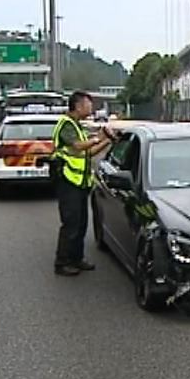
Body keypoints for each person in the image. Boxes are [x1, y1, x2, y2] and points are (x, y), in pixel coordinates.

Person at [51, 91, 115, 276]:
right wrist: (97, 138)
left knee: (81, 224)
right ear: (78, 106)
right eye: (88, 104)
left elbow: (89, 152)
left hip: (80, 183)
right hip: (68, 181)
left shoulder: (77, 126)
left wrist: (107, 140)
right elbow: (78, 146)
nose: (91, 108)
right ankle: (62, 262)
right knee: (70, 224)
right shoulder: (66, 125)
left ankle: (77, 258)